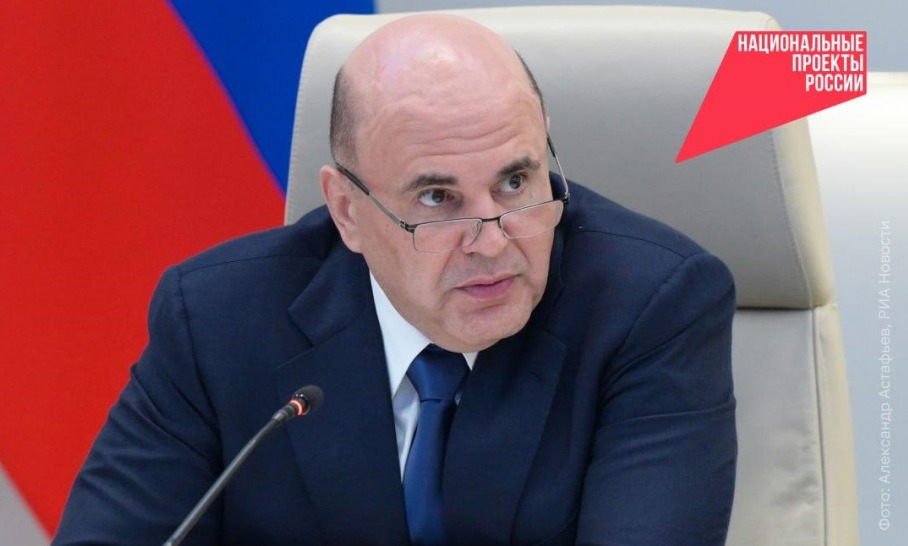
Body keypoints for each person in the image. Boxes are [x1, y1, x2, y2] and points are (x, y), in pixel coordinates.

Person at [53, 13, 737, 546]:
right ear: (348, 211)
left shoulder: (651, 306)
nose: (493, 239)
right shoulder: (217, 320)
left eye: (516, 181)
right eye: (438, 199)